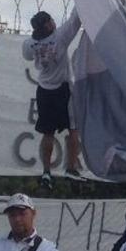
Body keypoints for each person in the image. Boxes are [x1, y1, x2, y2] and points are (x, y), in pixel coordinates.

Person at [24, 10, 82, 189]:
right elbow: (75, 20)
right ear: (48, 24)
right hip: (63, 89)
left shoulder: (29, 43)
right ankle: (70, 169)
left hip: (44, 89)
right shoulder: (59, 37)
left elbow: (27, 55)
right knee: (73, 129)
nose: (54, 22)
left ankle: (46, 172)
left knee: (47, 133)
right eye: (51, 20)